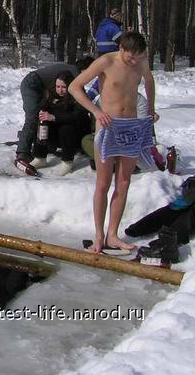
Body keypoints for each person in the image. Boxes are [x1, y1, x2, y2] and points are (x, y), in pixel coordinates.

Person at [69, 31, 159, 254]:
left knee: (124, 182)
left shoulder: (141, 61)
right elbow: (74, 87)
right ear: (121, 49)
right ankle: (99, 237)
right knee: (102, 183)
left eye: (138, 57)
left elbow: (149, 80)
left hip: (131, 127)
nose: (134, 61)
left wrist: (150, 109)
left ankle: (113, 235)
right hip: (108, 127)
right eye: (131, 57)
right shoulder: (106, 61)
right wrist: (96, 112)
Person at [16, 57, 94, 167]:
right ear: (86, 68)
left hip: (38, 82)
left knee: (44, 116)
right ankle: (23, 152)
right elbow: (79, 93)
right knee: (34, 116)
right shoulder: (74, 73)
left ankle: (43, 146)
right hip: (32, 83)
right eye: (92, 71)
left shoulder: (71, 69)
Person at [30, 71, 91, 175]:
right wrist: (41, 113)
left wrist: (54, 117)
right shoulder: (51, 94)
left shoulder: (78, 96)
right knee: (42, 123)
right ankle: (40, 157)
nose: (60, 90)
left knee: (66, 128)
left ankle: (67, 161)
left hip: (76, 136)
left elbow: (76, 117)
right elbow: (40, 108)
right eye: (58, 86)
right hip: (56, 136)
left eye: (63, 87)